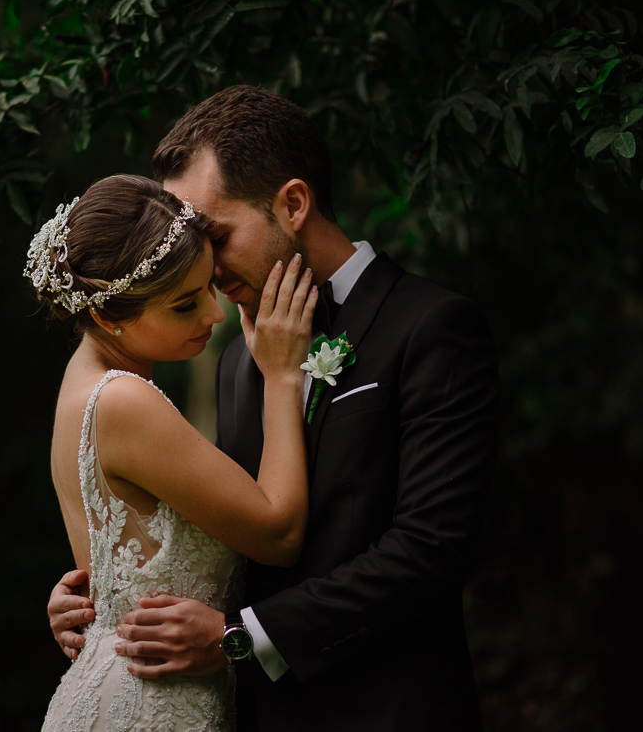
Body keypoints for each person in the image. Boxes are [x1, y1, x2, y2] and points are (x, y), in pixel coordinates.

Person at [47, 87, 500, 731]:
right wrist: (107, 602)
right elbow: (234, 529)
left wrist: (239, 637)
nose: (198, 262)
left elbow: (429, 552)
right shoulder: (240, 360)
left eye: (216, 234)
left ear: (292, 203)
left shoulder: (430, 328)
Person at [29, 173, 318, 732]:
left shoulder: (81, 380)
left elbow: (113, 575)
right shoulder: (123, 401)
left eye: (209, 287)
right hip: (150, 705)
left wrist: (85, 610)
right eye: (185, 306)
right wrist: (282, 377)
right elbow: (279, 535)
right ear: (109, 316)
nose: (214, 316)